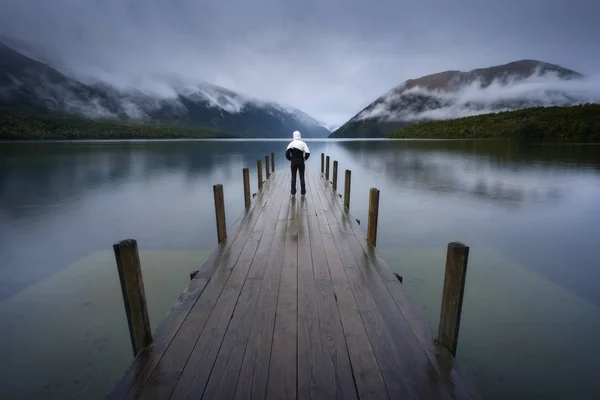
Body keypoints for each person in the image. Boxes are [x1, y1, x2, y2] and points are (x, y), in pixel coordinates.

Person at [285, 130, 310, 196]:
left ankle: (293, 192)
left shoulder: (291, 144)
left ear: (293, 136)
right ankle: (303, 192)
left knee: (293, 177)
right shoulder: (303, 143)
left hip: (293, 161)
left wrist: (290, 159)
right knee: (302, 177)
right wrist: (304, 159)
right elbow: (308, 153)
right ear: (300, 135)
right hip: (301, 161)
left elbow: (287, 153)